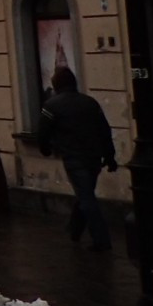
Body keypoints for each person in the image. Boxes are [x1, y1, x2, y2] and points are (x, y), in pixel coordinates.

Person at [38, 66, 118, 251]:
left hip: (74, 157)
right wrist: (110, 156)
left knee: (86, 196)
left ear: (56, 85)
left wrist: (46, 148)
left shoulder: (51, 106)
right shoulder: (90, 103)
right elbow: (104, 130)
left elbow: (43, 132)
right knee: (85, 191)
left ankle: (101, 240)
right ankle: (74, 230)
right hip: (93, 156)